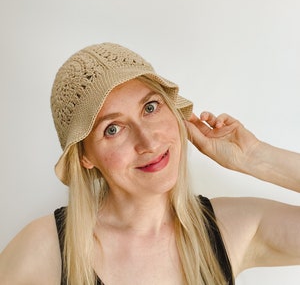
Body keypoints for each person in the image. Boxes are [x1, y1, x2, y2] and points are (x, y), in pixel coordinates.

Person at [0, 42, 299, 285]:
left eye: (150, 107)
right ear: (85, 157)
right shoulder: (43, 250)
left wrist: (258, 158)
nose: (148, 142)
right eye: (113, 129)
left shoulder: (229, 228)